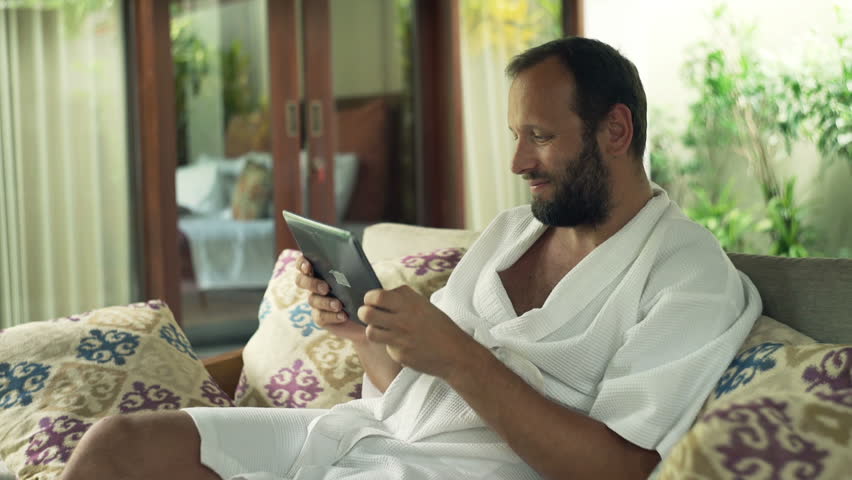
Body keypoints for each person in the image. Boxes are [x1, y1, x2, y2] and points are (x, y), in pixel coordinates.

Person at [61, 37, 761, 480]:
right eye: (516, 135)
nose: (519, 161)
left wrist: (457, 353)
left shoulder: (686, 274)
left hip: (458, 472)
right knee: (116, 448)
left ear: (616, 129)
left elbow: (619, 469)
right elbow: (414, 393)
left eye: (540, 137)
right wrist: (359, 334)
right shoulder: (510, 233)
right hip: (367, 432)